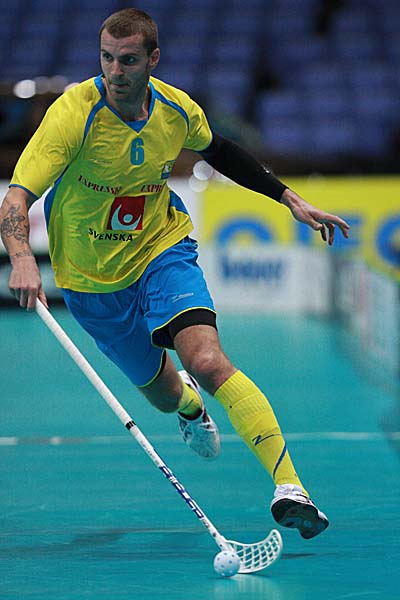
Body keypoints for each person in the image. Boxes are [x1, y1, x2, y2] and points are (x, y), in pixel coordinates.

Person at [0, 8, 349, 540]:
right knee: (165, 394)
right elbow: (17, 198)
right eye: (107, 58)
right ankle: (188, 406)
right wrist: (23, 256)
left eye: (128, 60)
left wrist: (288, 198)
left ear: (153, 59)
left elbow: (221, 150)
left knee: (207, 361)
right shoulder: (73, 113)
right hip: (91, 282)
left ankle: (291, 488)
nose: (115, 71)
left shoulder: (175, 110)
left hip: (160, 250)